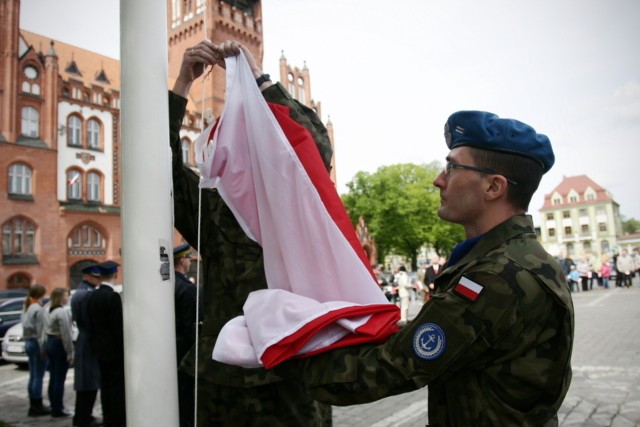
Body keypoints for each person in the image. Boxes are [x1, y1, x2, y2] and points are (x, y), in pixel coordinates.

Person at [275, 111, 575, 425]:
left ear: (493, 187)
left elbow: (392, 368)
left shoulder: (497, 276)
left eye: (453, 166)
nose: (439, 179)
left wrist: (277, 358)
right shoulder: (523, 257)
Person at [169, 40, 332, 425]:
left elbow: (312, 146)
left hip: (289, 378)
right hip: (222, 384)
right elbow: (161, 169)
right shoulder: (213, 209)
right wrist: (180, 86)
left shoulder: (297, 200)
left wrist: (260, 78)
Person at [86, 260, 126, 427]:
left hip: (99, 349)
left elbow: (90, 324)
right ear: (115, 275)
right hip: (114, 351)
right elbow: (117, 327)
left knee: (105, 385)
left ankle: (108, 417)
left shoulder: (92, 296)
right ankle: (117, 419)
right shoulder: (112, 296)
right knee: (116, 386)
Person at [71, 263, 103, 427]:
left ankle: (83, 415)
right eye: (96, 277)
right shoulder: (85, 294)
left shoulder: (81, 292)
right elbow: (86, 319)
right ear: (88, 276)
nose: (98, 281)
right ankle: (83, 417)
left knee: (88, 381)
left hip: (86, 339)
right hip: (88, 340)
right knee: (87, 382)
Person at [173, 243, 198, 427]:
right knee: (184, 392)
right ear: (182, 261)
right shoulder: (187, 288)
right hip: (183, 349)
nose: (190, 261)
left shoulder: (167, 284)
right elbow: (190, 325)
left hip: (167, 346)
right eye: (189, 258)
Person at [39, 287, 74, 418]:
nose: (67, 298)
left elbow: (43, 330)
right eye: (66, 296)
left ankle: (54, 405)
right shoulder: (61, 312)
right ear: (60, 297)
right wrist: (70, 353)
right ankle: (58, 408)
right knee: (59, 378)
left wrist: (43, 347)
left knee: (53, 377)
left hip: (50, 341)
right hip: (58, 343)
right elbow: (66, 334)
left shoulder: (47, 309)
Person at [21, 283, 51, 417]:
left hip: (28, 341)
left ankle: (33, 403)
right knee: (38, 376)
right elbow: (41, 331)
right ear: (41, 294)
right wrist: (44, 348)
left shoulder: (26, 306)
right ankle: (37, 405)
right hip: (36, 342)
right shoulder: (38, 309)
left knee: (33, 375)